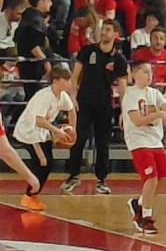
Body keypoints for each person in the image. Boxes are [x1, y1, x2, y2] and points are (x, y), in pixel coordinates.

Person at [62, 19, 128, 195]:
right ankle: (73, 176)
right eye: (103, 29)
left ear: (115, 34)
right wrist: (73, 97)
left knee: (103, 144)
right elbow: (74, 76)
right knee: (78, 140)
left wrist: (124, 110)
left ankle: (101, 180)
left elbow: (123, 87)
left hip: (105, 105)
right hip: (84, 102)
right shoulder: (87, 50)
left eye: (108, 29)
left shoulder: (119, 59)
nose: (103, 32)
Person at [123, 59, 166, 235]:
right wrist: (157, 114)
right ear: (135, 74)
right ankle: (145, 218)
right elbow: (137, 121)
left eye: (151, 71)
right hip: (138, 141)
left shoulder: (154, 93)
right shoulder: (131, 94)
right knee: (151, 178)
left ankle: (139, 203)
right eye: (145, 71)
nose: (149, 75)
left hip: (155, 141)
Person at [11, 62, 75, 211]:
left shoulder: (62, 96)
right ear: (56, 81)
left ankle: (32, 193)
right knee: (43, 162)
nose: (69, 83)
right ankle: (29, 194)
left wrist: (73, 129)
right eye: (66, 80)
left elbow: (72, 110)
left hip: (42, 132)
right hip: (29, 132)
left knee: (47, 163)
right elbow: (39, 121)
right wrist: (57, 131)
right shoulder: (44, 96)